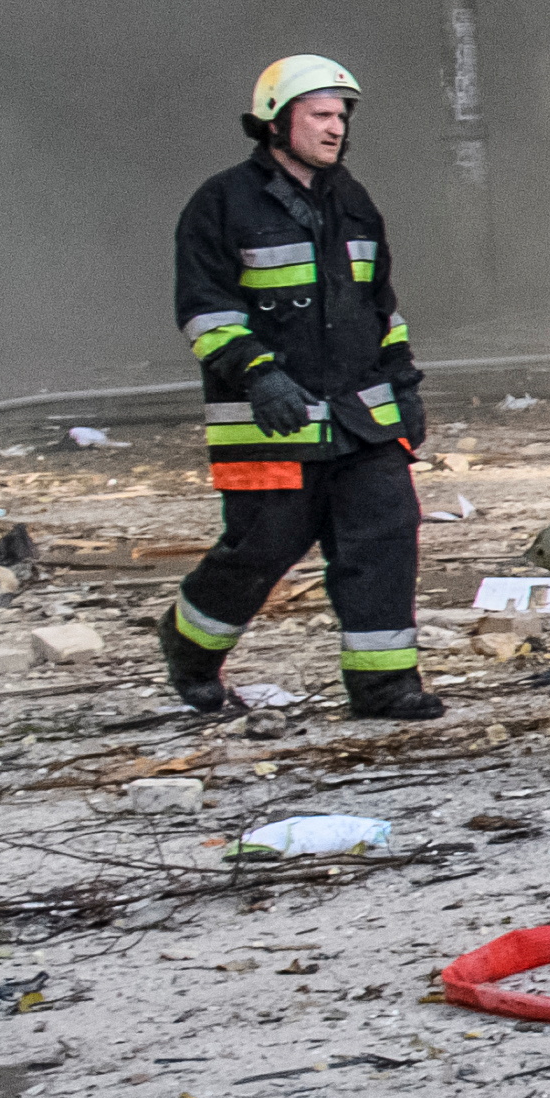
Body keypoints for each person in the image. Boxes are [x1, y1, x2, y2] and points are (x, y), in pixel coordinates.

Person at [163, 53, 439, 719]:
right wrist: (258, 373)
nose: (335, 127)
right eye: (320, 114)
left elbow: (381, 309)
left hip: (359, 419)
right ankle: (189, 646)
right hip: (270, 421)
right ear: (276, 122)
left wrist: (403, 385)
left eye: (341, 115)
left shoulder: (354, 202)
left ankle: (385, 687)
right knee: (262, 550)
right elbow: (205, 310)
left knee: (385, 537)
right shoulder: (221, 204)